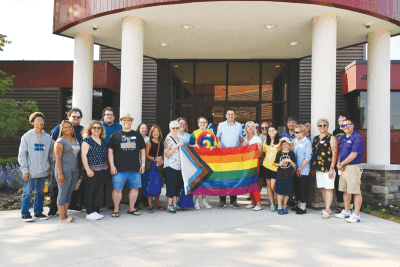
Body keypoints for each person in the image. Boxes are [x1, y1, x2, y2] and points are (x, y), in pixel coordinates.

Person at [108, 113, 146, 218]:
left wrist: (142, 164)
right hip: (119, 168)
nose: (126, 122)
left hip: (135, 167)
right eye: (124, 120)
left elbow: (142, 151)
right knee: (117, 189)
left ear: (131, 122)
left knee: (135, 188)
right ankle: (116, 209)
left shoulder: (138, 135)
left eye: (128, 120)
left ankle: (131, 208)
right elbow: (110, 151)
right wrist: (112, 165)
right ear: (121, 122)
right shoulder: (115, 135)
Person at [48, 108, 84, 216]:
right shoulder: (58, 129)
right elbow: (53, 145)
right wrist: (59, 171)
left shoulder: (82, 130)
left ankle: (69, 207)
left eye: (78, 117)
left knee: (72, 189)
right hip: (63, 166)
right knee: (57, 189)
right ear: (69, 117)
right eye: (74, 116)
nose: (76, 119)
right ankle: (53, 209)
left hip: (75, 165)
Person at [18, 112, 53, 222]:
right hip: (30, 172)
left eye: (42, 120)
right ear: (32, 122)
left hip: (43, 172)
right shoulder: (27, 137)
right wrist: (24, 171)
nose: (40, 122)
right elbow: (22, 155)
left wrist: (48, 170)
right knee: (27, 193)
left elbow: (50, 155)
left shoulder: (47, 138)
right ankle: (25, 213)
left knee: (40, 193)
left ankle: (38, 212)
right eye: (38, 120)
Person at [335, 118, 364, 223]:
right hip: (343, 167)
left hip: (352, 166)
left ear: (353, 125)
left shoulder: (357, 137)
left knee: (355, 191)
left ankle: (356, 215)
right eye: (343, 126)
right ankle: (347, 211)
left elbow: (354, 154)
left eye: (347, 125)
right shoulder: (342, 138)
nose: (345, 127)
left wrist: (342, 163)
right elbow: (340, 153)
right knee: (345, 190)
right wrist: (338, 163)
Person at [216, 108, 244, 209]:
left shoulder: (239, 125)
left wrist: (243, 142)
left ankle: (233, 200)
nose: (230, 116)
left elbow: (241, 138)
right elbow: (218, 137)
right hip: (223, 154)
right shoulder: (221, 125)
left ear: (235, 116)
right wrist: (218, 142)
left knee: (234, 177)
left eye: (232, 114)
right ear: (226, 115)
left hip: (235, 154)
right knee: (223, 178)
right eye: (229, 114)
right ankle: (222, 200)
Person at [54, 120, 81, 223]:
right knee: (62, 192)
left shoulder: (75, 140)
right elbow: (57, 159)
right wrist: (60, 173)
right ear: (62, 129)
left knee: (69, 193)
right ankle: (62, 217)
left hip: (74, 170)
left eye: (69, 127)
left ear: (72, 128)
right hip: (64, 170)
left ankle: (65, 214)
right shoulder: (60, 141)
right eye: (65, 127)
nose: (68, 129)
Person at [311, 118, 338, 219]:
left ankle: (327, 209)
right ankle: (327, 208)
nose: (322, 127)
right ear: (317, 127)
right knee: (323, 187)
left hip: (328, 167)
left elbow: (335, 153)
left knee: (329, 188)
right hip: (318, 167)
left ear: (328, 126)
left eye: (325, 125)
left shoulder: (331, 138)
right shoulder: (316, 138)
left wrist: (332, 168)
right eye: (320, 125)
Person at [97, 107, 122, 212]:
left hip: (115, 158)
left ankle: (111, 204)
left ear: (114, 116)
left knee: (113, 182)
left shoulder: (119, 126)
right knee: (100, 182)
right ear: (103, 116)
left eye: (111, 114)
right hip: (101, 157)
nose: (109, 116)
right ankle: (98, 204)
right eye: (107, 114)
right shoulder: (99, 126)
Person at [81, 121, 107, 220]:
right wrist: (87, 169)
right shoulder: (87, 140)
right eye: (94, 128)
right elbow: (83, 156)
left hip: (101, 169)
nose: (96, 129)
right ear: (90, 129)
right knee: (90, 191)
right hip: (90, 170)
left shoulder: (102, 140)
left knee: (96, 191)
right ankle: (89, 212)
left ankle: (94, 211)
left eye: (99, 128)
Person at [189, 116, 215, 209]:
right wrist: (194, 145)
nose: (202, 124)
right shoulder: (194, 133)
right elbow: (189, 145)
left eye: (204, 122)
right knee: (198, 180)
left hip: (208, 160)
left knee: (206, 180)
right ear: (198, 124)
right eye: (200, 122)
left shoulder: (211, 133)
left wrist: (213, 147)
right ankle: (196, 201)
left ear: (207, 124)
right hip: (197, 161)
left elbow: (214, 145)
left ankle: (204, 201)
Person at [164, 120, 184, 213]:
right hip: (170, 166)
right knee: (171, 186)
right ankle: (169, 205)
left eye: (177, 128)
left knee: (177, 186)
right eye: (173, 128)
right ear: (170, 129)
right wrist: (175, 147)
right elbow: (167, 154)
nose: (175, 130)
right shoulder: (168, 139)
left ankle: (175, 204)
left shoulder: (180, 138)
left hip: (179, 166)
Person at [243, 121, 263, 211]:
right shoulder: (244, 139)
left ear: (254, 129)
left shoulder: (257, 139)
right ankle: (252, 201)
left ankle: (258, 203)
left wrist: (261, 147)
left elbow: (259, 154)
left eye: (252, 126)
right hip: (246, 163)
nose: (250, 128)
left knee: (254, 182)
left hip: (254, 162)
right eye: (249, 126)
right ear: (246, 128)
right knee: (248, 182)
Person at [292, 124, 312, 215]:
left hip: (303, 169)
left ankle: (303, 207)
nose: (295, 134)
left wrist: (300, 168)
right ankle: (299, 204)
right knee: (296, 187)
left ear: (303, 132)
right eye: (294, 132)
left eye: (297, 132)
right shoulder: (294, 141)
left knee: (302, 187)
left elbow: (308, 157)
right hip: (294, 169)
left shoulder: (307, 142)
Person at [145, 125, 165, 213]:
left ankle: (157, 204)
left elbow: (164, 153)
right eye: (154, 131)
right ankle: (150, 205)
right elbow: (146, 155)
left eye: (157, 131)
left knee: (158, 185)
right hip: (150, 166)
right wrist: (154, 159)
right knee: (150, 185)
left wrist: (161, 157)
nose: (156, 133)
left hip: (159, 167)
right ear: (151, 133)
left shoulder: (162, 143)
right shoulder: (149, 143)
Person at [332, 112, 349, 213]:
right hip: (337, 161)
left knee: (348, 183)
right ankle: (340, 205)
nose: (341, 120)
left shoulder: (350, 131)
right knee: (338, 183)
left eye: (344, 118)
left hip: (348, 161)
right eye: (340, 119)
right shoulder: (335, 132)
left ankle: (349, 206)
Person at [274, 138, 296, 215]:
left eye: (287, 144)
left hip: (288, 176)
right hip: (280, 175)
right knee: (279, 192)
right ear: (281, 146)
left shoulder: (292, 154)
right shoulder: (279, 153)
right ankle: (279, 207)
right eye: (283, 144)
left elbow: (294, 165)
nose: (285, 146)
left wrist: (289, 161)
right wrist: (280, 164)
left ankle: (284, 207)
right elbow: (275, 163)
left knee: (286, 193)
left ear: (289, 145)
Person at [261, 125, 280, 212]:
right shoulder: (266, 141)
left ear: (276, 131)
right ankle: (272, 204)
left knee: (273, 186)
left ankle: (279, 202)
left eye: (273, 131)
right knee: (269, 186)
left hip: (275, 167)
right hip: (266, 166)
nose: (271, 132)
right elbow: (262, 152)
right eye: (269, 131)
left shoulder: (280, 141)